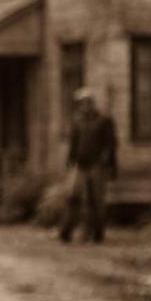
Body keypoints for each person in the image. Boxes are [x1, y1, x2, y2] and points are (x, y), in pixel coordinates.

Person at [59, 87, 117, 243]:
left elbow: (110, 144)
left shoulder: (104, 120)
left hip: (97, 165)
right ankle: (66, 231)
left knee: (95, 200)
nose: (84, 105)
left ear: (92, 103)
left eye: (87, 102)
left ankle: (97, 234)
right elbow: (74, 143)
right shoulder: (77, 120)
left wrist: (106, 163)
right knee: (73, 197)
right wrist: (70, 162)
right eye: (81, 103)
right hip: (80, 164)